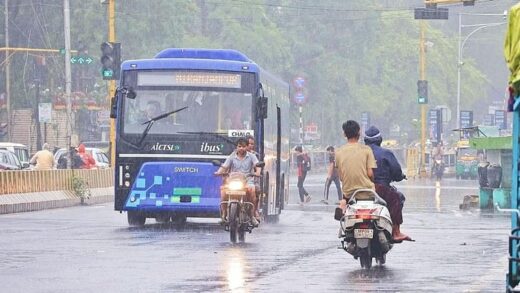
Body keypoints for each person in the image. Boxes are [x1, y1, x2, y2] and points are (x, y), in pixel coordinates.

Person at [364, 126, 411, 242]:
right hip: (381, 189)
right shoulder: (386, 153)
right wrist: (400, 177)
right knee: (398, 198)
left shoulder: (359, 154)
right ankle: (396, 231)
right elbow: (396, 172)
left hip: (360, 189)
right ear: (380, 140)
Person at [334, 120, 377, 220]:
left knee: (345, 198)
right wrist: (373, 181)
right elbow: (370, 173)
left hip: (349, 193)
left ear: (344, 134)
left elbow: (341, 177)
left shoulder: (338, 152)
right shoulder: (366, 150)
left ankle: (343, 204)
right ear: (359, 133)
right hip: (367, 192)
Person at [215, 138, 261, 226]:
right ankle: (224, 215)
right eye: (239, 146)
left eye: (243, 146)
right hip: (233, 182)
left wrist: (257, 172)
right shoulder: (232, 156)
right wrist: (218, 172)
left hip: (247, 181)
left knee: (252, 190)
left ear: (247, 147)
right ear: (237, 147)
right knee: (223, 191)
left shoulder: (252, 156)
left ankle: (252, 216)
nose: (241, 148)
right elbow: (224, 167)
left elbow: (257, 165)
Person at [246, 136, 262, 220]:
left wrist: (257, 172)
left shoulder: (254, 155)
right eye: (248, 144)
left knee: (257, 190)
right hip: (237, 179)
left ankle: (254, 210)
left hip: (251, 179)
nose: (250, 146)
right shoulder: (235, 153)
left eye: (252, 144)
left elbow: (258, 165)